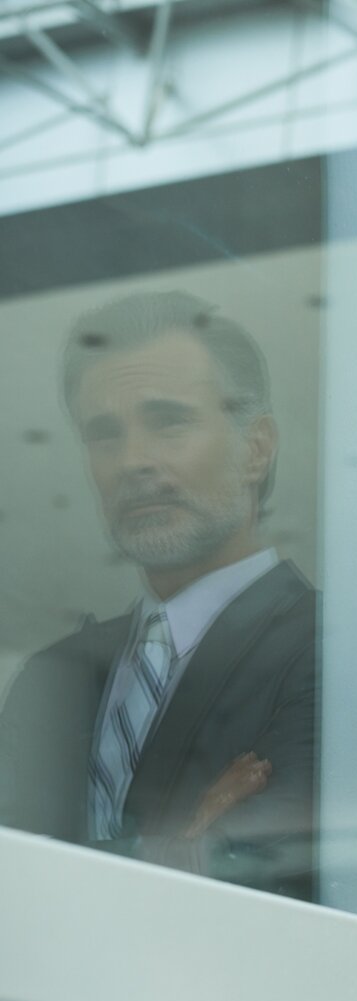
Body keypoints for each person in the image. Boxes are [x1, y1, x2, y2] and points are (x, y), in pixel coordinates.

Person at [0, 291, 317, 902]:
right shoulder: (50, 679)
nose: (133, 461)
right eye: (103, 434)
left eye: (168, 421)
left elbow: (269, 877)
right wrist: (180, 840)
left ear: (256, 448)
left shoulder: (332, 649)